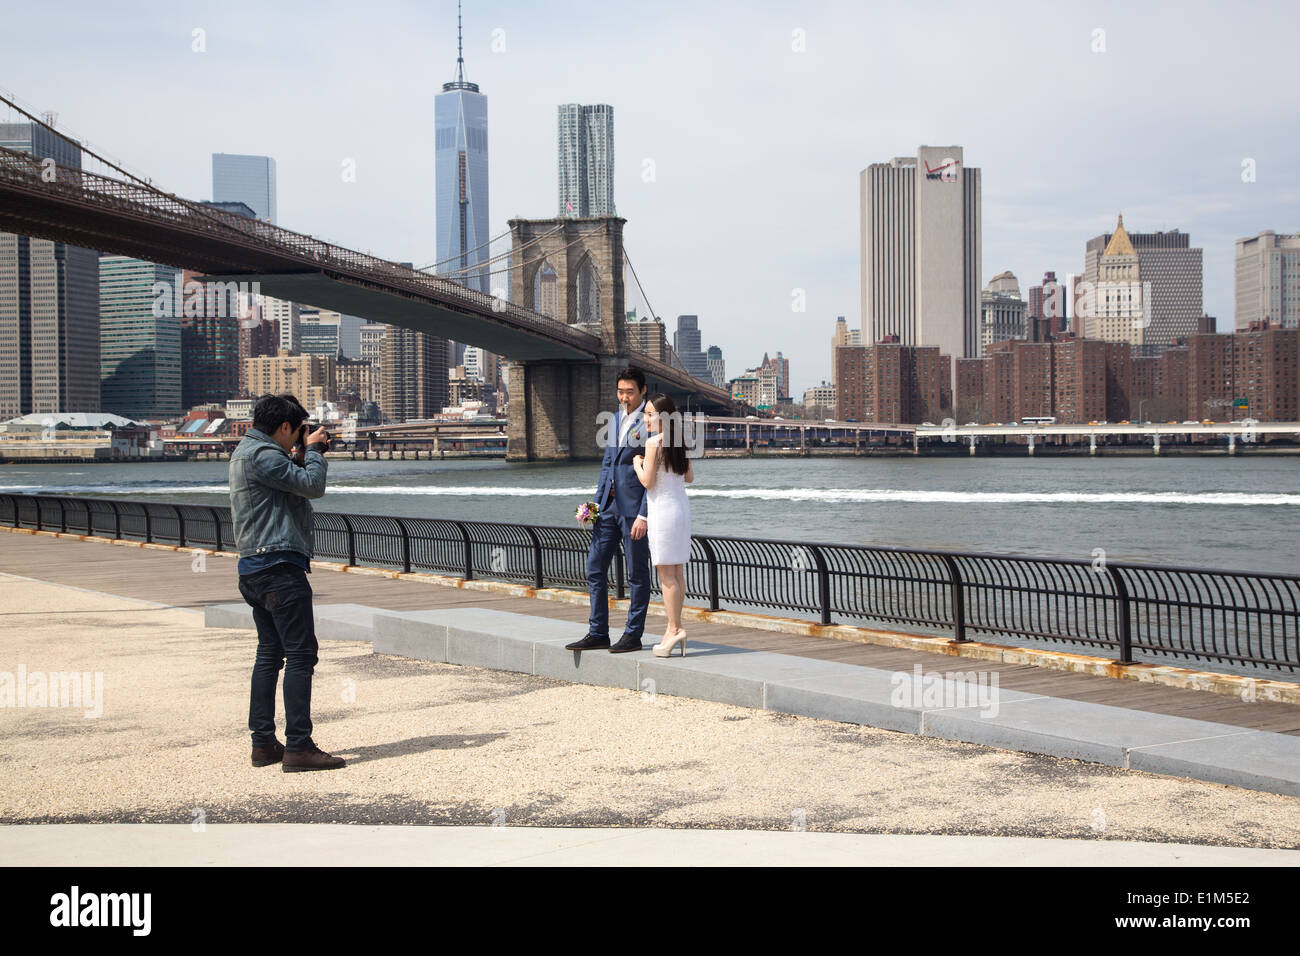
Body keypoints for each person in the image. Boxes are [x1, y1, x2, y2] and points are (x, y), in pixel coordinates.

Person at [228, 393, 345, 772]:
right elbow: (312, 486)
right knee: (300, 655)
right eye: (295, 431)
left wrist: (300, 450)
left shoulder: (252, 453)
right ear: (283, 427)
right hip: (278, 567)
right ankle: (299, 745)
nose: (298, 437)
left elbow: (287, 484)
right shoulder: (262, 455)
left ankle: (263, 743)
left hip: (254, 568)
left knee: (269, 654)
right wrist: (313, 452)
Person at [567, 367, 652, 653]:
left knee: (637, 574)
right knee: (595, 567)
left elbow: (655, 474)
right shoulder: (615, 419)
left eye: (629, 392)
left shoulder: (651, 422)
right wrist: (596, 503)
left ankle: (633, 635)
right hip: (607, 508)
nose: (624, 397)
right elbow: (608, 464)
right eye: (620, 392)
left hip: (634, 510)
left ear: (642, 391)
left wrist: (644, 514)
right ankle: (598, 631)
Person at [633, 393, 695, 657]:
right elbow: (689, 477)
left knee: (666, 576)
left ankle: (674, 628)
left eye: (650, 414)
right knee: (677, 574)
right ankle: (674, 629)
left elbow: (647, 482)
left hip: (662, 513)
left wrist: (638, 463)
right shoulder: (678, 442)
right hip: (681, 510)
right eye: (645, 414)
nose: (645, 418)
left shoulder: (653, 443)